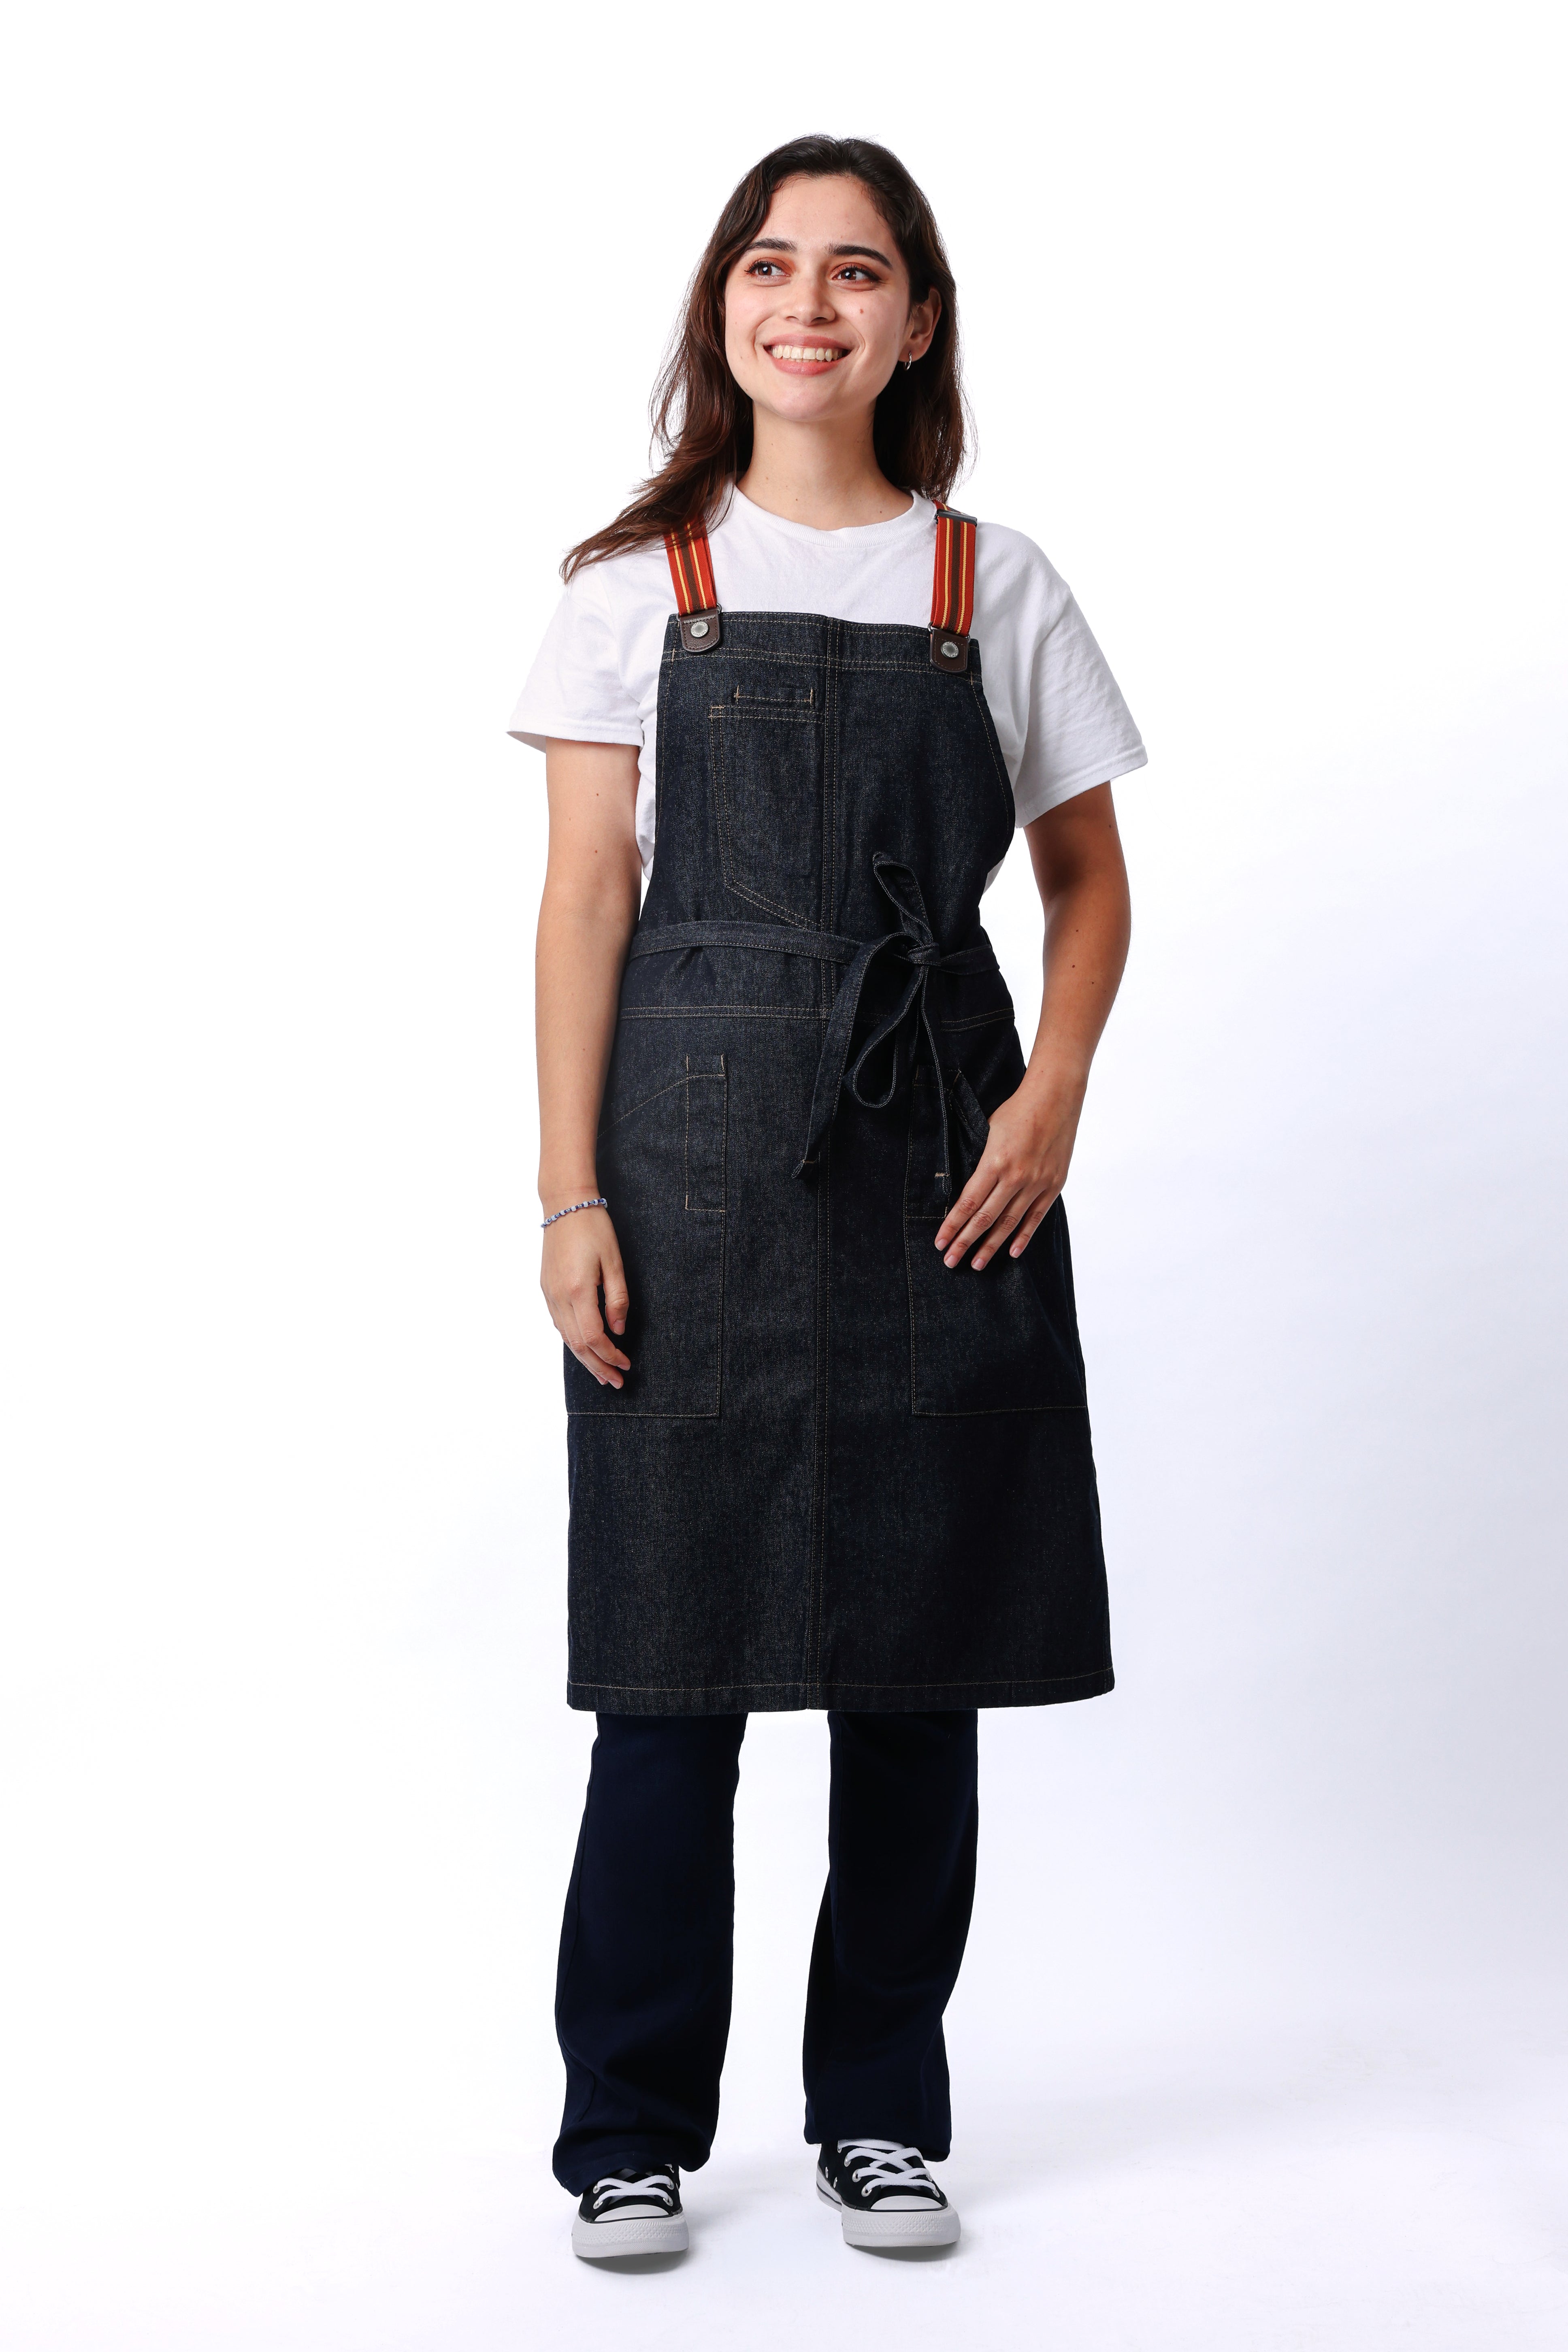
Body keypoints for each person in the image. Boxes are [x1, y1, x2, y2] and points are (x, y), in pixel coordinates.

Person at [510, 134, 1145, 2261]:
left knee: (917, 1654)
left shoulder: (993, 582)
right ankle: (628, 2129)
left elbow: (1087, 883)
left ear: (916, 320)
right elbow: (583, 902)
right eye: (773, 267)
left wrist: (1049, 1103)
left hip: (943, 1143)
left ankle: (883, 2110)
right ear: (725, 309)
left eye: (857, 271)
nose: (811, 304)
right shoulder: (637, 585)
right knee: (667, 1659)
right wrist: (568, 1197)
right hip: (687, 1160)